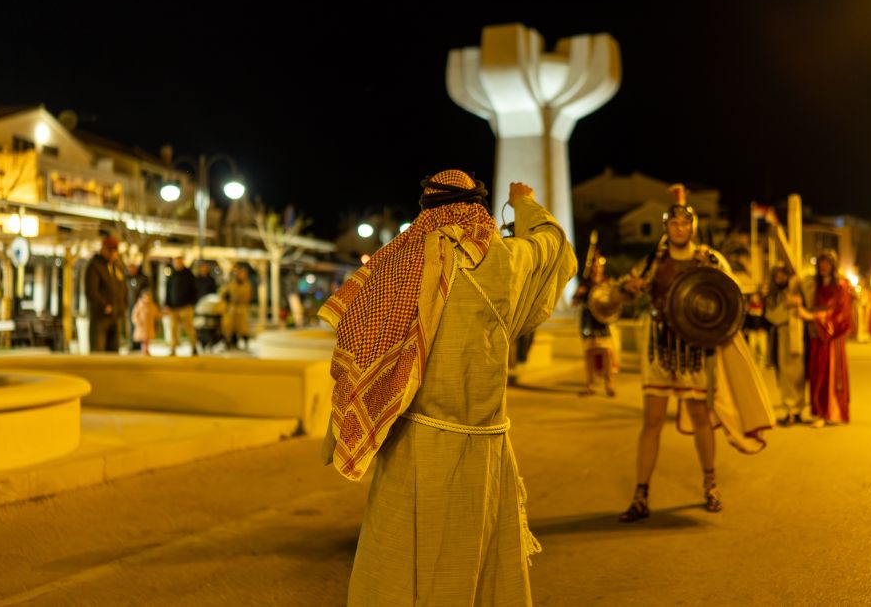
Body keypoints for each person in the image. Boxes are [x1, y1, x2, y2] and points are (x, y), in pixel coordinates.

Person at [318, 170, 575, 606]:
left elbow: (358, 343)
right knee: (480, 560)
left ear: (426, 212)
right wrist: (524, 203)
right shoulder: (508, 260)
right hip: (485, 447)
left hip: (416, 445)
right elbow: (554, 244)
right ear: (478, 208)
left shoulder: (400, 264)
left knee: (404, 560)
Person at [618, 184, 774, 522]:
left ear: (692, 227)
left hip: (695, 348)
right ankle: (641, 495)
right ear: (666, 227)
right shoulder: (654, 260)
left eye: (684, 223)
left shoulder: (709, 258)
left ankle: (710, 485)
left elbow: (731, 295)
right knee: (652, 421)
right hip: (660, 348)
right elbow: (627, 291)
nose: (679, 228)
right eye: (674, 224)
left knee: (701, 417)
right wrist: (627, 289)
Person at [798, 250, 852, 427]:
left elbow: (842, 312)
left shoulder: (841, 285)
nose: (823, 266)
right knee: (817, 372)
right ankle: (819, 410)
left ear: (833, 265)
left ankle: (831, 411)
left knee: (829, 373)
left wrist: (815, 317)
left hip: (831, 336)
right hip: (817, 334)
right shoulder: (817, 285)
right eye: (821, 263)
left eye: (827, 263)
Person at [572, 250, 619, 397]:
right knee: (589, 353)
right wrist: (578, 294)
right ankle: (590, 384)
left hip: (602, 321)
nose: (596, 268)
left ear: (602, 267)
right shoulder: (585, 283)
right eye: (594, 265)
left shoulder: (606, 283)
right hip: (588, 321)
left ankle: (609, 384)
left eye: (599, 265)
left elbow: (613, 301)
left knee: (607, 352)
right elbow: (574, 302)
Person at [764, 262, 806, 426]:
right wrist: (785, 306)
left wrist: (797, 305)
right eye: (777, 274)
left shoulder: (797, 292)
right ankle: (789, 409)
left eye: (783, 274)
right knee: (785, 375)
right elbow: (771, 316)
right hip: (782, 336)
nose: (780, 277)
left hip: (798, 335)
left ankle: (798, 409)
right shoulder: (773, 296)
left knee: (799, 374)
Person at [84, 235, 127, 353]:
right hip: (100, 317)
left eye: (115, 251)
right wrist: (104, 306)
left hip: (115, 316)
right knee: (98, 351)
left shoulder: (117, 266)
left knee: (113, 352)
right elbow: (91, 291)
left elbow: (123, 288)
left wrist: (123, 306)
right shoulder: (95, 266)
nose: (113, 254)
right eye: (110, 250)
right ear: (103, 249)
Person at [164, 255, 199, 356]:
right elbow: (168, 290)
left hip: (186, 307)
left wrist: (192, 303)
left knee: (189, 328)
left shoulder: (188, 274)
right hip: (174, 307)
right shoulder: (172, 274)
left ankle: (194, 347)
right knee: (173, 329)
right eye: (175, 262)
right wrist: (167, 304)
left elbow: (195, 290)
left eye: (179, 261)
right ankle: (173, 348)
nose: (177, 264)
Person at [221, 264, 253, 350]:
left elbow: (248, 296)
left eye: (244, 274)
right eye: (241, 274)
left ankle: (245, 341)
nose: (243, 276)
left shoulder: (247, 285)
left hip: (242, 308)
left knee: (243, 327)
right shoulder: (232, 284)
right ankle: (230, 341)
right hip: (232, 308)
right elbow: (224, 294)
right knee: (229, 326)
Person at [125, 262, 151, 351]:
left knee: (142, 325)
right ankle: (133, 343)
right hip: (130, 305)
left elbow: (147, 291)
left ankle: (142, 345)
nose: (131, 270)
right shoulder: (126, 278)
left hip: (141, 306)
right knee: (132, 325)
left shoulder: (143, 278)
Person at [130, 288, 159, 356]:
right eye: (146, 297)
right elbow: (134, 315)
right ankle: (144, 350)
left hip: (149, 326)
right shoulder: (139, 305)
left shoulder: (152, 305)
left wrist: (163, 313)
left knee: (147, 339)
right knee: (143, 339)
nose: (148, 299)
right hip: (142, 326)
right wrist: (137, 321)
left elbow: (157, 313)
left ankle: (146, 349)